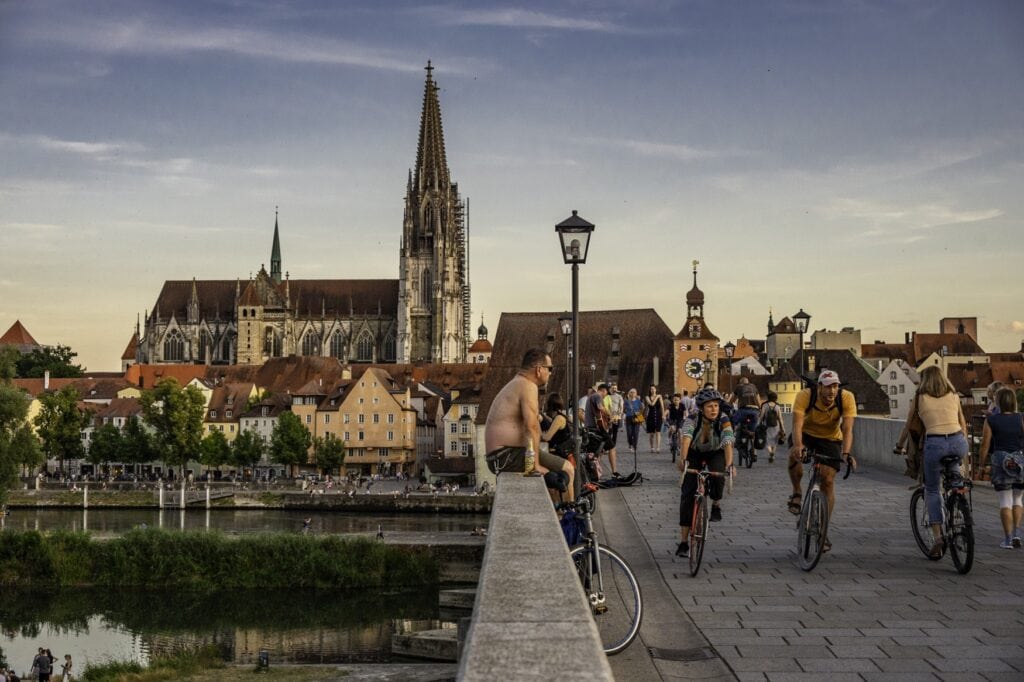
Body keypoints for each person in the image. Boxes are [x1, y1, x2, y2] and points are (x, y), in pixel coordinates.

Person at [787, 370, 857, 552]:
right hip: (806, 434)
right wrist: (798, 445)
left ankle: (823, 530)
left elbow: (848, 429)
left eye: (835, 386)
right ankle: (797, 492)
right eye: (827, 387)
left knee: (827, 480)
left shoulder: (846, 398)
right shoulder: (805, 396)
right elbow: (797, 424)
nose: (832, 392)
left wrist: (847, 453)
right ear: (818, 387)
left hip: (831, 438)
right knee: (794, 457)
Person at [903, 365, 968, 557]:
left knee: (932, 489)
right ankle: (959, 506)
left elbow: (909, 425)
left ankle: (938, 537)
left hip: (935, 444)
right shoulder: (954, 395)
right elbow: (963, 424)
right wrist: (963, 449)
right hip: (958, 441)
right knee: (955, 481)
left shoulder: (920, 397)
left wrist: (899, 445)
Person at [675, 387, 735, 557]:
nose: (714, 409)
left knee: (718, 475)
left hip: (715, 452)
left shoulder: (724, 419)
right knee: (687, 494)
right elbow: (686, 439)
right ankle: (684, 542)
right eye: (709, 406)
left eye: (716, 406)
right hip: (694, 452)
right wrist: (683, 460)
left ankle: (716, 504)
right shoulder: (692, 419)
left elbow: (728, 441)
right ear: (701, 408)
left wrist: (730, 465)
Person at [484, 348, 553, 476]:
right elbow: (531, 427)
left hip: (502, 455)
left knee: (558, 472)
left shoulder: (518, 382)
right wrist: (534, 465)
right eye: (550, 368)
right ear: (539, 370)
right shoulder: (528, 386)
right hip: (505, 456)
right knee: (566, 471)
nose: (550, 373)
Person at [978, 387, 1024, 549]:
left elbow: (985, 445)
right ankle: (1017, 533)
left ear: (998, 402)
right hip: (1020, 461)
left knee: (1005, 500)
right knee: (1018, 499)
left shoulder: (991, 420)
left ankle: (1008, 539)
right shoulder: (1021, 418)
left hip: (1000, 460)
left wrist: (981, 465)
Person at [540, 392, 576, 501]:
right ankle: (565, 507)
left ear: (550, 404)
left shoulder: (559, 419)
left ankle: (566, 506)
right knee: (560, 483)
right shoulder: (560, 417)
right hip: (562, 454)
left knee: (558, 483)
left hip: (559, 454)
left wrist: (540, 434)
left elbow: (547, 437)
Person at [585, 383, 616, 476]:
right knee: (612, 447)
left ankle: (595, 472)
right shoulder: (597, 396)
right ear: (604, 390)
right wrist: (610, 414)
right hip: (596, 428)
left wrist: (606, 420)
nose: (605, 396)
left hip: (592, 427)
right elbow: (600, 407)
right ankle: (614, 472)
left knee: (598, 450)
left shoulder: (591, 397)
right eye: (606, 394)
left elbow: (598, 414)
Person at [759, 390, 786, 463]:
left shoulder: (765, 405)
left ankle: (770, 452)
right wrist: (783, 429)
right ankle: (773, 454)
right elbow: (780, 418)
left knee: (767, 442)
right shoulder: (777, 406)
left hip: (766, 426)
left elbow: (761, 416)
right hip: (775, 426)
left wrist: (758, 424)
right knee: (775, 441)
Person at [733, 393, 761, 464]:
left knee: (736, 424)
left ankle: (736, 439)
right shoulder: (754, 392)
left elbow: (734, 404)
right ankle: (754, 453)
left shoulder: (741, 394)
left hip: (743, 413)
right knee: (753, 433)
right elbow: (759, 403)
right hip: (755, 412)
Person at [606, 383, 624, 467]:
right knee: (609, 431)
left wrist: (620, 413)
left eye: (615, 388)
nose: (614, 389)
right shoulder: (608, 396)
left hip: (616, 415)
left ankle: (613, 446)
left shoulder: (619, 396)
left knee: (615, 431)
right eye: (613, 388)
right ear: (610, 388)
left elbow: (621, 406)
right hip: (609, 415)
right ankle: (609, 446)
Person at [665, 393, 688, 460]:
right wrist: (664, 415)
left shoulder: (682, 405)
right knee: (671, 428)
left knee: (680, 431)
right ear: (673, 400)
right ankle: (668, 439)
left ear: (680, 400)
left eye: (677, 400)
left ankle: (679, 446)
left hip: (680, 420)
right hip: (672, 420)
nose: (676, 401)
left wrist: (686, 416)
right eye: (674, 400)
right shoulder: (671, 405)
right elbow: (666, 411)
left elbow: (685, 412)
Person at [644, 385, 665, 453]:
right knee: (651, 434)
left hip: (658, 416)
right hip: (651, 416)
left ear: (656, 390)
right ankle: (652, 447)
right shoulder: (647, 397)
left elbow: (662, 407)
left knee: (658, 432)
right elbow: (652, 404)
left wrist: (663, 415)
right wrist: (657, 397)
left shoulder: (660, 397)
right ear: (650, 390)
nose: (653, 390)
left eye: (654, 389)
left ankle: (658, 447)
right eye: (651, 389)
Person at [622, 388, 643, 454]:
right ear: (629, 393)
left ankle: (635, 446)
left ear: (636, 394)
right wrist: (625, 413)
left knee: (636, 433)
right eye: (631, 392)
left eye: (634, 392)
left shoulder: (638, 401)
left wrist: (639, 415)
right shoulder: (626, 401)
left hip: (637, 418)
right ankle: (630, 444)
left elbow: (641, 409)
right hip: (629, 418)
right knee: (629, 433)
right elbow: (623, 409)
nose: (632, 393)